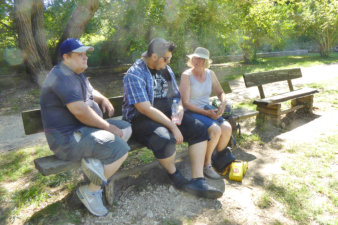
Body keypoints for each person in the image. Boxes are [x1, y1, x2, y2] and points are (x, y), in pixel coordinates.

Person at [40, 38, 132, 217]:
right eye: (80, 54)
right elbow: (79, 111)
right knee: (121, 149)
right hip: (67, 140)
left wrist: (103, 98)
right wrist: (106, 126)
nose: (85, 58)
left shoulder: (76, 73)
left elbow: (90, 90)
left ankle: (96, 164)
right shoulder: (61, 76)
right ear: (66, 57)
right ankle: (90, 191)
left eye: (85, 54)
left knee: (126, 128)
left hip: (84, 130)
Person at [122, 38, 222, 199]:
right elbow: (144, 109)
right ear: (154, 56)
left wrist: (180, 109)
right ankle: (175, 177)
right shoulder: (134, 74)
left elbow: (176, 96)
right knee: (165, 138)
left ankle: (198, 180)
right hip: (141, 120)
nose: (168, 62)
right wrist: (173, 127)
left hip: (168, 115)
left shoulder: (166, 70)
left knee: (199, 128)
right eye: (166, 58)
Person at [179, 47, 232, 179]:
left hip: (207, 108)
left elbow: (221, 92)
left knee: (226, 128)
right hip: (191, 111)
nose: (198, 61)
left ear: (206, 61)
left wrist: (223, 103)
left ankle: (218, 159)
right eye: (196, 58)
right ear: (192, 59)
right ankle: (206, 164)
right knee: (215, 130)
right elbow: (185, 103)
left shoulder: (210, 73)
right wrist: (207, 113)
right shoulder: (187, 75)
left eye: (202, 59)